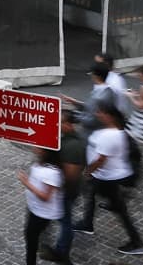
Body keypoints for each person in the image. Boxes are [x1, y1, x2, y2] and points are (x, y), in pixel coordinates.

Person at [75, 102, 143, 255]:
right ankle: (87, 224)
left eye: (101, 112)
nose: (98, 114)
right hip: (105, 176)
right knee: (92, 195)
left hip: (108, 178)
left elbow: (101, 159)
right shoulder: (115, 131)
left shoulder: (109, 135)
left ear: (110, 116)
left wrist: (88, 172)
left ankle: (136, 242)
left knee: (120, 210)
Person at [46, 110, 86, 265]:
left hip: (66, 191)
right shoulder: (66, 139)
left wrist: (57, 190)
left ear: (69, 124)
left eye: (60, 122)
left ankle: (62, 253)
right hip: (64, 190)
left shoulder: (74, 146)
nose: (57, 125)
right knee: (63, 220)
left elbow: (71, 175)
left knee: (65, 222)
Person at [20, 147, 66, 265]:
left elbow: (46, 197)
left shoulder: (52, 173)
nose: (34, 148)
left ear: (45, 152)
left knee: (31, 240)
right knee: (31, 237)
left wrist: (27, 183)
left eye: (38, 147)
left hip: (42, 214)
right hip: (35, 209)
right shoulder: (42, 163)